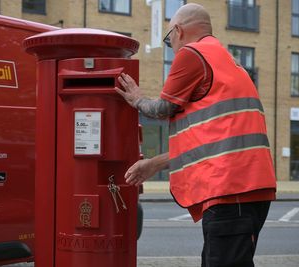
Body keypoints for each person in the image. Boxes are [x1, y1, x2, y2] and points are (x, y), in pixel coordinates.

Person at [115, 3, 277, 267]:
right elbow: (209, 143)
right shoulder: (228, 62)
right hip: (246, 190)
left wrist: (136, 99)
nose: (173, 48)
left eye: (169, 41)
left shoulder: (192, 54)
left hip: (230, 191)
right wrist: (154, 164)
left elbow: (163, 108)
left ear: (178, 31)